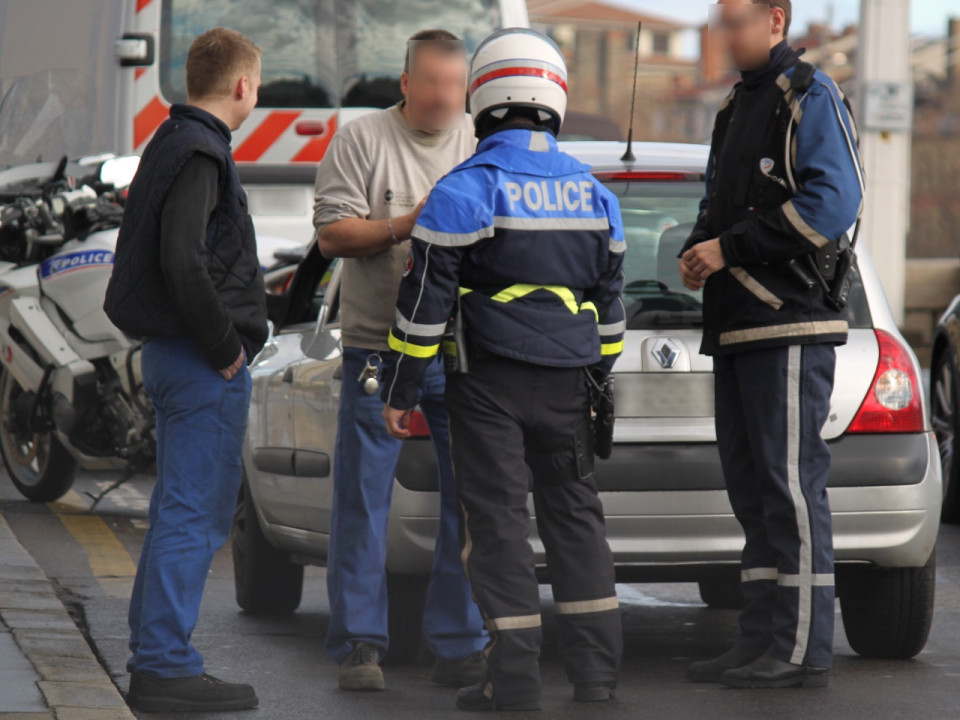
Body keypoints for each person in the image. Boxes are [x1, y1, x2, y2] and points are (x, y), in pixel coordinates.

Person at [381, 28, 626, 712]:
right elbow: (611, 320)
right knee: (577, 521)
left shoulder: (463, 191)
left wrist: (401, 391)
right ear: (555, 98)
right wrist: (594, 379)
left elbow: (424, 309)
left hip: (487, 386)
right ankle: (598, 676)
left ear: (483, 96)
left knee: (498, 528)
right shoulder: (595, 196)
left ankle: (513, 683)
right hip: (570, 387)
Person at [681, 0, 863, 689]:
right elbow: (719, 204)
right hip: (735, 327)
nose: (722, 34)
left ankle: (800, 650)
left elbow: (832, 202)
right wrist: (700, 247)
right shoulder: (736, 107)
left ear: (777, 20)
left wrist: (727, 248)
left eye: (734, 20)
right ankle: (758, 638)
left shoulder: (809, 96)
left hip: (788, 323)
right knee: (753, 493)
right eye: (716, 21)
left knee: (790, 488)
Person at [312, 29, 488, 692]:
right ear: (406, 84)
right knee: (362, 500)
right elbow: (331, 235)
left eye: (454, 84)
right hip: (376, 348)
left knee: (466, 500)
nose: (444, 96)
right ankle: (359, 644)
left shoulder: (478, 140)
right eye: (432, 83)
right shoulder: (362, 140)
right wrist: (413, 222)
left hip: (460, 349)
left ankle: (460, 643)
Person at [103, 27, 266, 713]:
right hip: (200, 362)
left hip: (171, 354)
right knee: (194, 517)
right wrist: (226, 347)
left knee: (177, 509)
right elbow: (183, 257)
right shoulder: (203, 151)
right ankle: (166, 664)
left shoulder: (170, 141)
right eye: (256, 84)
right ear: (241, 86)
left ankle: (154, 655)